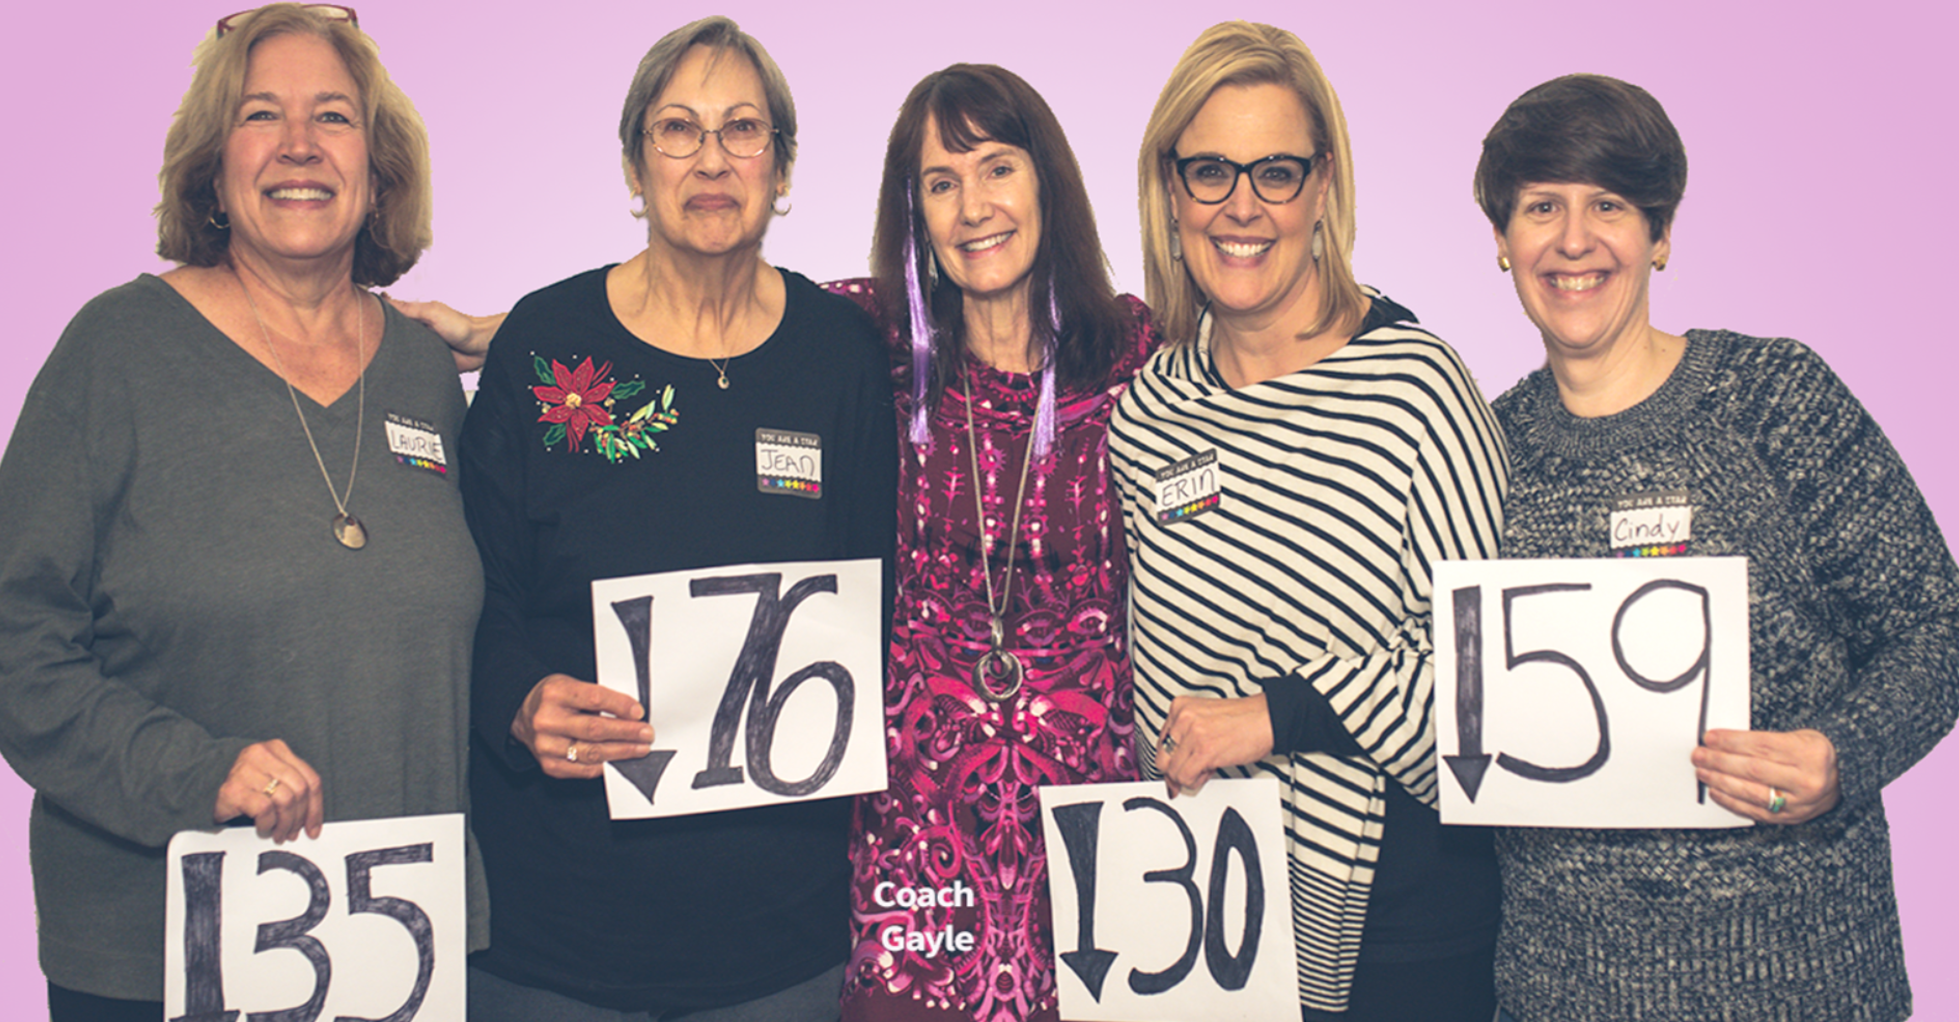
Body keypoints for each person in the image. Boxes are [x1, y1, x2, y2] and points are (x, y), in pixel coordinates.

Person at [0, 5, 486, 1019]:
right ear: (213, 166)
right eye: (262, 114)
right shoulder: (116, 351)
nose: (301, 145)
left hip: (405, 945)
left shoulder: (424, 373)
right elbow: (15, 643)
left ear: (379, 167)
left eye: (335, 118)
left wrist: (523, 333)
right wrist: (197, 768)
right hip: (155, 956)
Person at [1475, 73, 1959, 1022]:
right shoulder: (1481, 454)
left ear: (1659, 235)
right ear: (1501, 241)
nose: (1573, 240)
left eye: (1608, 205)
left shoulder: (1773, 398)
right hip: (1560, 989)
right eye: (1541, 207)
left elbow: (1937, 628)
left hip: (1800, 978)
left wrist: (1841, 752)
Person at [459, 16, 896, 1020]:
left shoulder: (841, 355)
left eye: (743, 130)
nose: (711, 158)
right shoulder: (546, 342)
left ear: (781, 169)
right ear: (632, 164)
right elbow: (474, 595)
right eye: (677, 128)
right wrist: (520, 699)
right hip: (553, 934)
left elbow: (877, 601)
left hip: (782, 940)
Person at [1108, 21, 1509, 1021]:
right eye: (1210, 170)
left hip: (1397, 931)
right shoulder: (1148, 411)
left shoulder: (1417, 388)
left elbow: (1494, 683)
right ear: (1172, 190)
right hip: (1195, 917)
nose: (1241, 206)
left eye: (1275, 171)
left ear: (1322, 186)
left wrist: (1279, 716)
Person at [821, 64, 1154, 1022]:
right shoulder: (866, 339)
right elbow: (701, 322)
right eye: (940, 181)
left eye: (997, 167)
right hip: (913, 857)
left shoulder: (1139, 349)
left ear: (1047, 180)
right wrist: (509, 335)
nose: (973, 206)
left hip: (1099, 850)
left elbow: (1276, 342)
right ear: (913, 210)